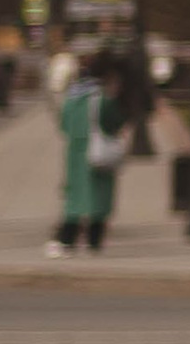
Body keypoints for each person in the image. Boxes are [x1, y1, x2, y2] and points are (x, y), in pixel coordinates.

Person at [48, 51, 131, 255]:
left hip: (75, 156)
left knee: (74, 199)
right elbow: (116, 122)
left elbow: (63, 126)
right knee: (98, 199)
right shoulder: (102, 99)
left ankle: (67, 240)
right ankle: (94, 240)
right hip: (97, 154)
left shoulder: (71, 99)